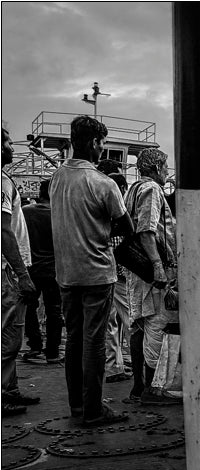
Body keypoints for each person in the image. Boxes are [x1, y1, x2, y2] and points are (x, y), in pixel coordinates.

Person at [49, 116, 130, 426]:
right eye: (102, 143)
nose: (102, 149)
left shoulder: (57, 178)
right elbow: (126, 225)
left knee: (74, 340)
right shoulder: (102, 183)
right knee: (94, 342)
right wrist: (108, 239)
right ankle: (94, 409)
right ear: (95, 143)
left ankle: (77, 406)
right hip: (97, 273)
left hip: (66, 274)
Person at [126, 148, 180, 405]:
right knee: (158, 324)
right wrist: (159, 266)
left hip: (138, 271)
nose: (167, 172)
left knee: (139, 324)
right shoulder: (151, 190)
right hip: (152, 272)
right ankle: (154, 389)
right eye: (166, 167)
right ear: (158, 168)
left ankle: (139, 387)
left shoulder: (132, 188)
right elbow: (146, 230)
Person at [2, 126, 40, 416]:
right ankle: (4, 394)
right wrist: (22, 274)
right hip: (8, 272)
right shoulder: (2, 182)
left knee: (10, 334)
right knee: (9, 337)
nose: (11, 149)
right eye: (6, 144)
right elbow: (4, 231)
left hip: (8, 270)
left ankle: (10, 389)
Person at [97, 164, 132, 385]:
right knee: (129, 321)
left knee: (110, 324)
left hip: (104, 270)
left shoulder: (97, 201)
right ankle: (137, 364)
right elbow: (126, 230)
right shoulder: (114, 204)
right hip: (118, 274)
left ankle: (113, 366)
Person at [22, 180, 63, 366]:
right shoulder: (60, 215)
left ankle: (35, 346)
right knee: (54, 310)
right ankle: (53, 352)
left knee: (29, 308)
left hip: (31, 268)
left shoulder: (26, 212)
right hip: (54, 270)